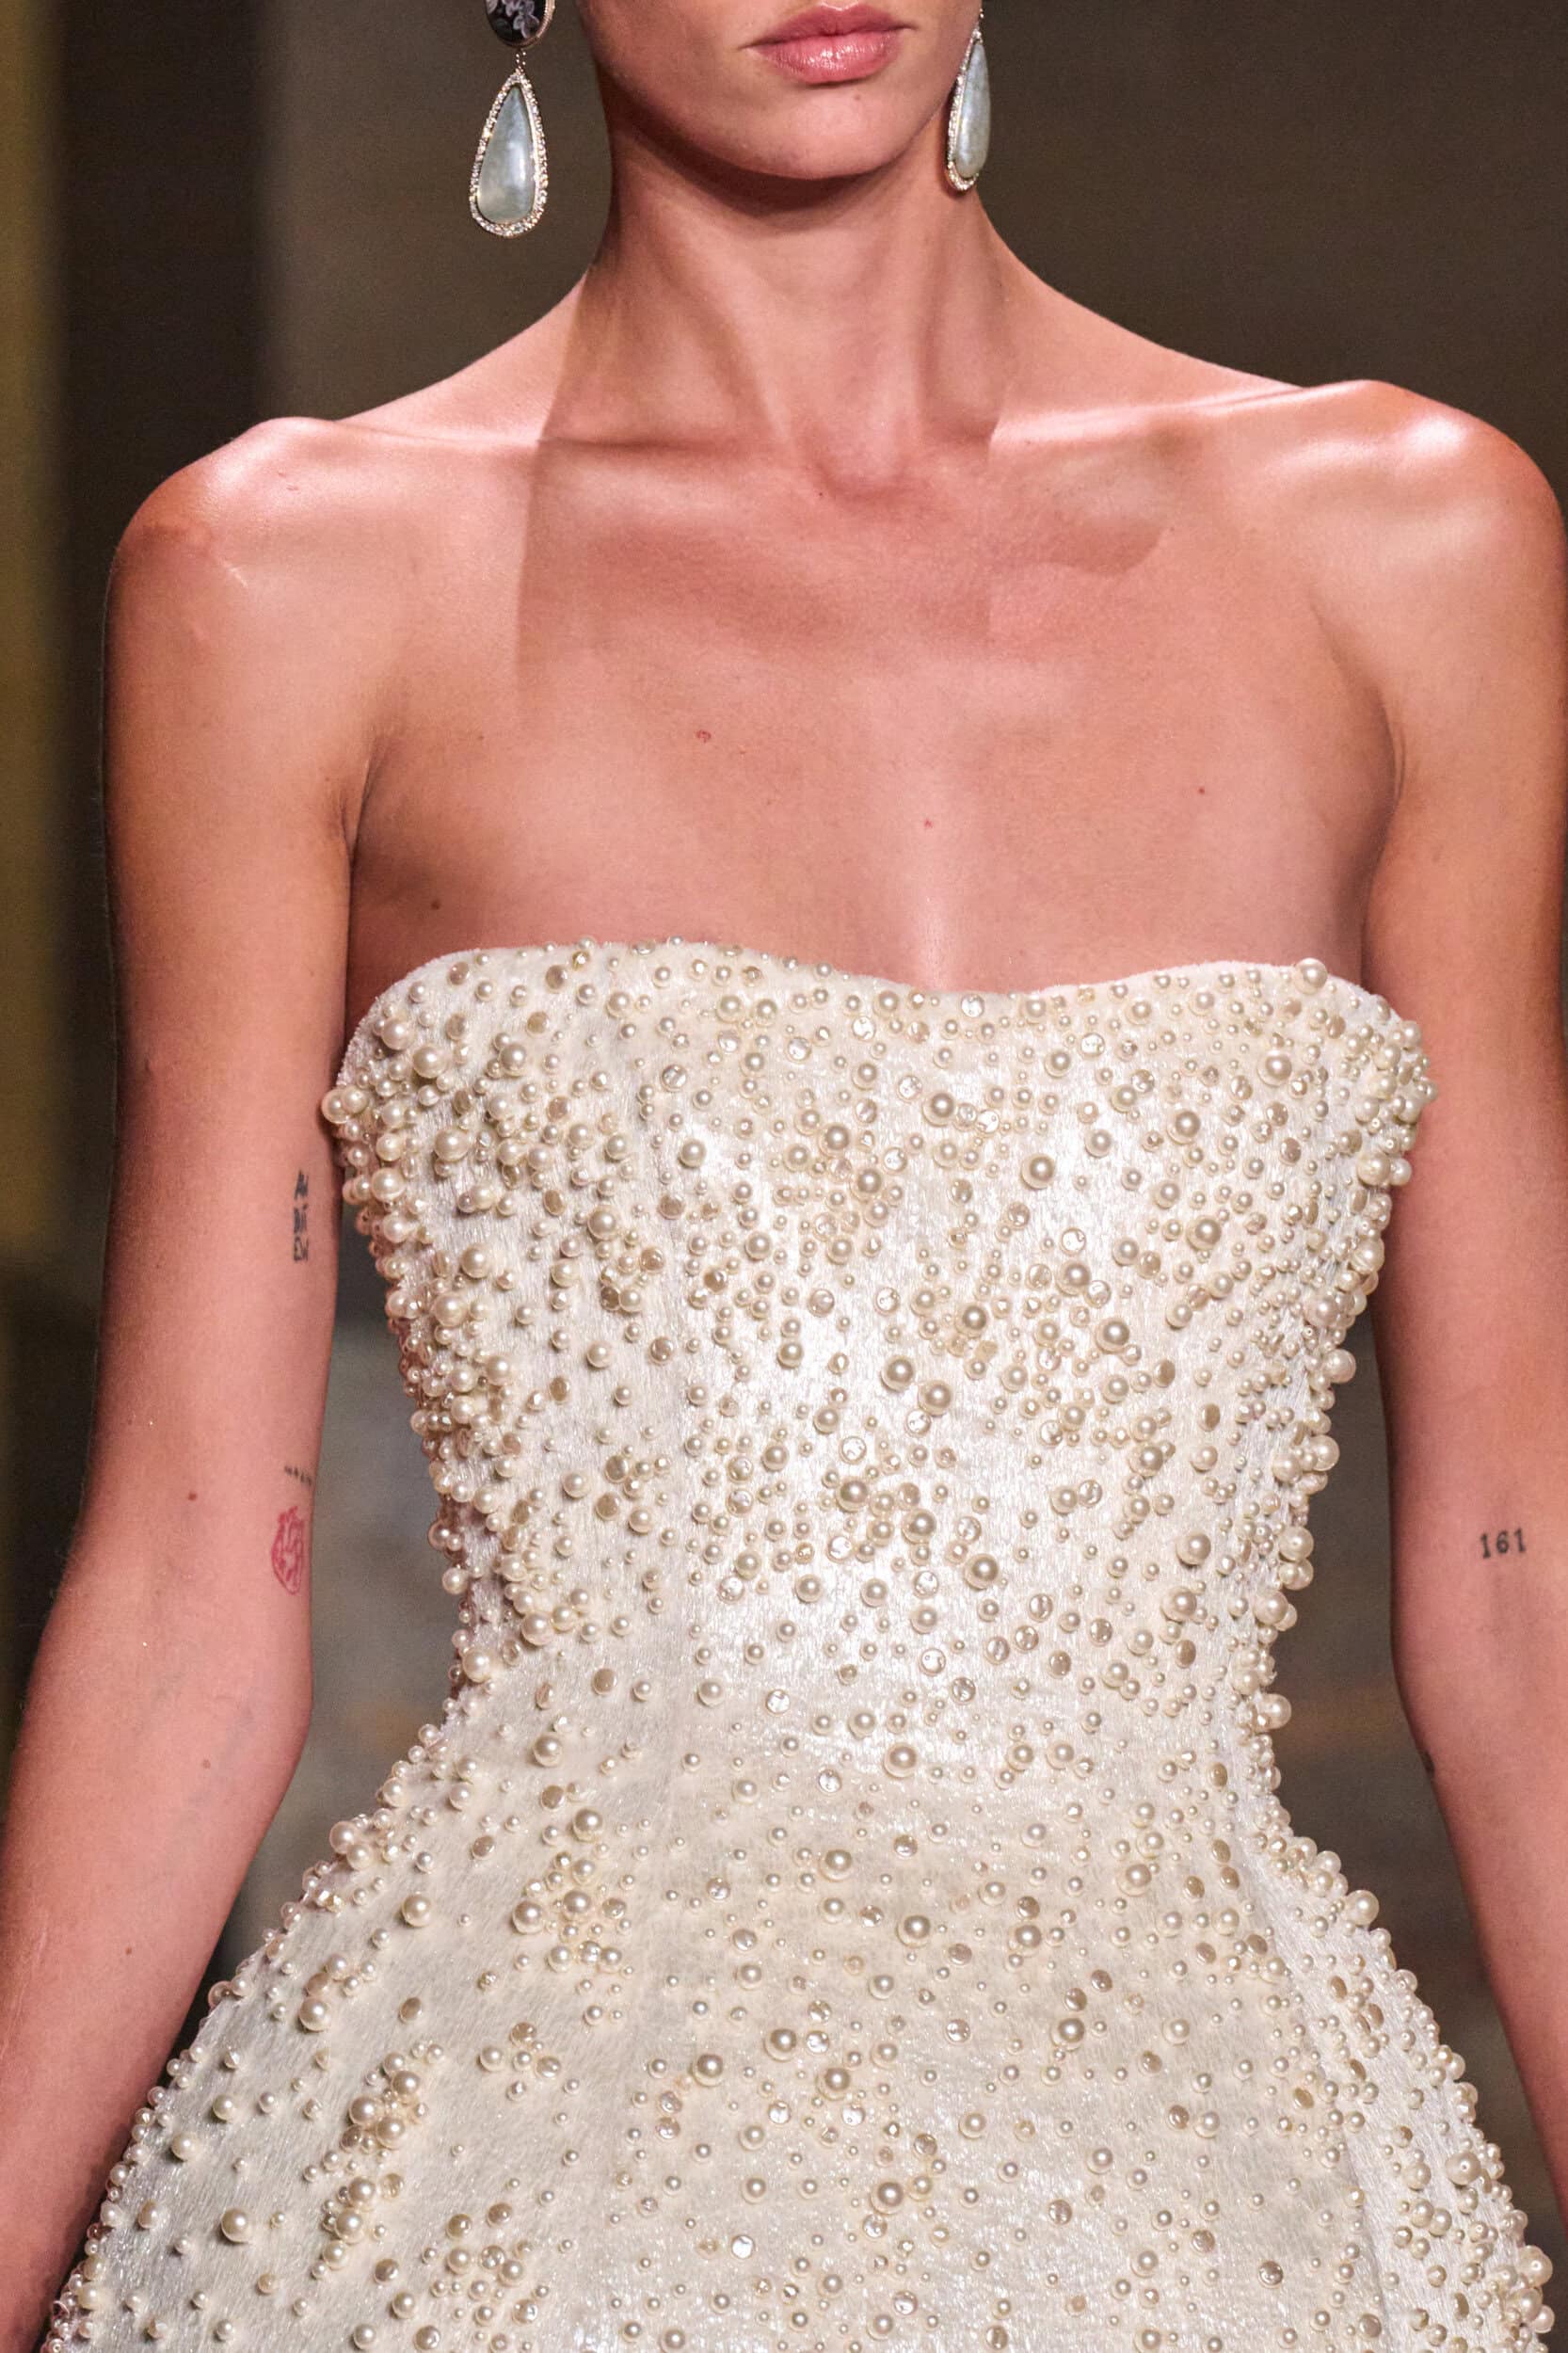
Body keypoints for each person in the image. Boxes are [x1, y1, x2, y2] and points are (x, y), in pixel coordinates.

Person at [3, 0, 1566, 2345]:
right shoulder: (288, 578)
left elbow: (1516, 1570)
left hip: (1229, 2173)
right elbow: (190, 1587)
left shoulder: (1407, 542)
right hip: (520, 2174)